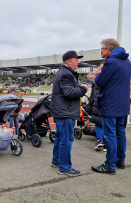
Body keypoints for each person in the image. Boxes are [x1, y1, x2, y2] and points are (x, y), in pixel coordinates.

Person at [92, 38, 131, 174]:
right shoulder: (127, 61)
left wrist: (98, 74)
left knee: (110, 134)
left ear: (108, 49)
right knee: (120, 132)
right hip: (123, 103)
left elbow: (100, 81)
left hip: (111, 104)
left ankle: (109, 165)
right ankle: (120, 160)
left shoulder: (111, 61)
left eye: (102, 49)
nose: (101, 51)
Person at [50, 50, 87, 176]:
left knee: (60, 138)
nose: (78, 62)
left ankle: (56, 161)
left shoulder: (65, 72)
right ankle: (65, 168)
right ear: (68, 61)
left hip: (63, 111)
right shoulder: (66, 74)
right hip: (65, 112)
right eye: (76, 59)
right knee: (66, 140)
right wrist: (83, 89)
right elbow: (69, 93)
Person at [86, 62, 106, 152]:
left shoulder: (99, 77)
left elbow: (89, 76)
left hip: (99, 103)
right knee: (106, 124)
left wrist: (97, 70)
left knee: (99, 123)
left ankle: (100, 141)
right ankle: (105, 143)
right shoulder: (112, 76)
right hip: (106, 103)